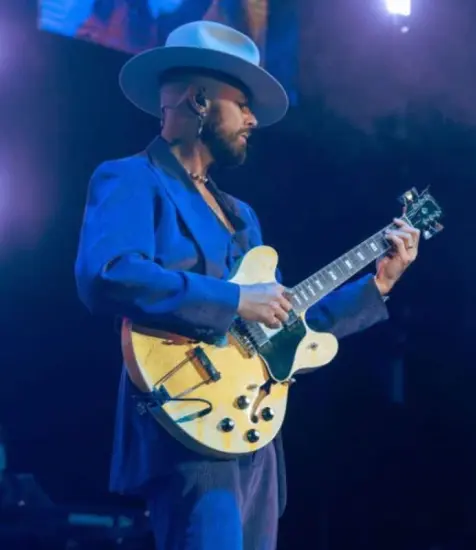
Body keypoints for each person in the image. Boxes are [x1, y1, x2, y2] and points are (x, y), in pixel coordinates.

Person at [74, 20, 421, 550]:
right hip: (186, 417)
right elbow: (108, 275)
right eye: (244, 103)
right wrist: (236, 299)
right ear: (199, 101)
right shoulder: (130, 178)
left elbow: (284, 323)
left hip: (252, 425)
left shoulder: (242, 216)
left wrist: (380, 284)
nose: (254, 119)